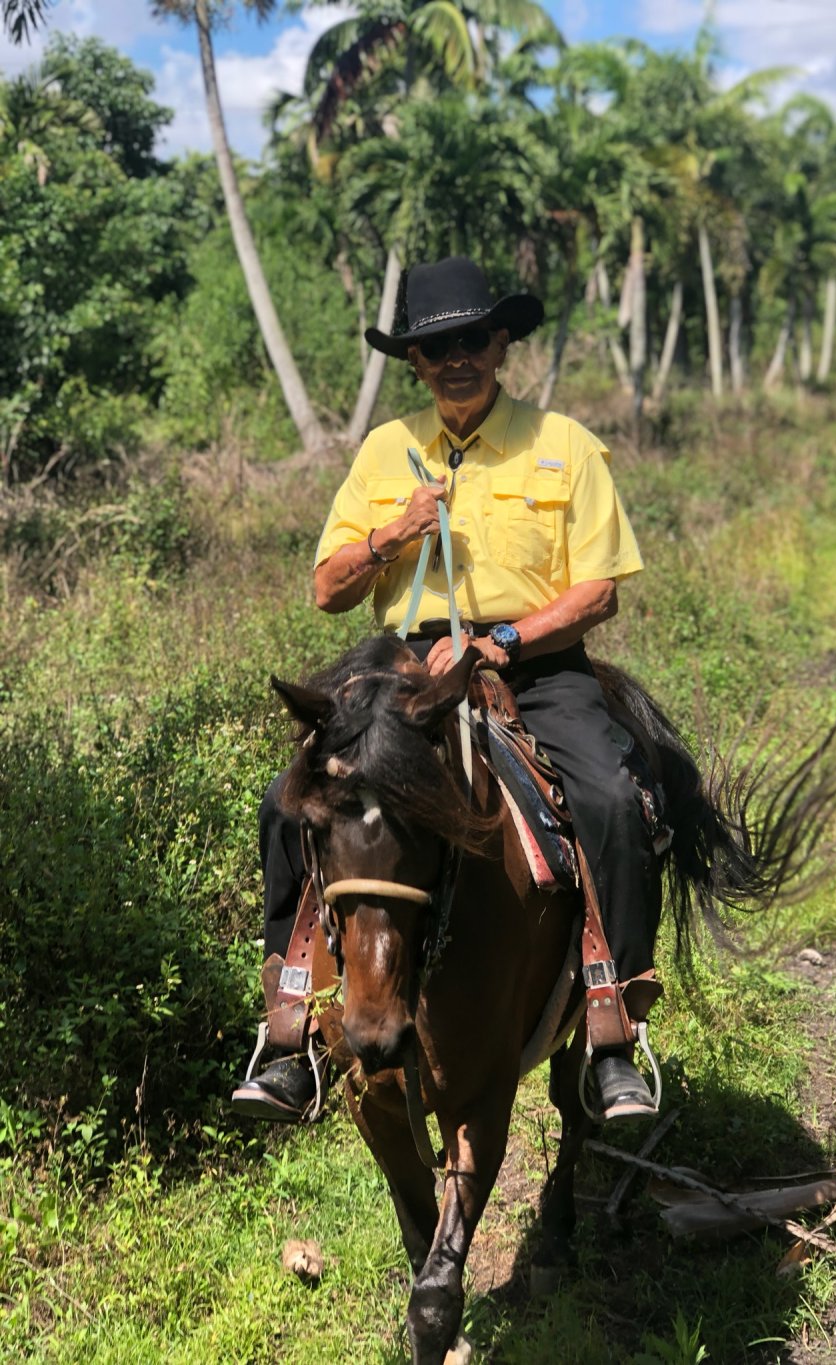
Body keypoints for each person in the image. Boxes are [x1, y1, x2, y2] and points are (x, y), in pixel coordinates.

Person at [231, 256, 662, 1124]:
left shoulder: (562, 443)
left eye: (472, 339)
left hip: (530, 663)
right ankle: (290, 1026)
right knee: (292, 805)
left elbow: (599, 591)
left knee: (613, 798)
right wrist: (394, 533)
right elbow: (328, 586)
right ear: (416, 362)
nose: (456, 358)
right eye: (436, 347)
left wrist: (501, 640)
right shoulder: (388, 450)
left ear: (500, 344)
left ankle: (613, 1025)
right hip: (401, 667)